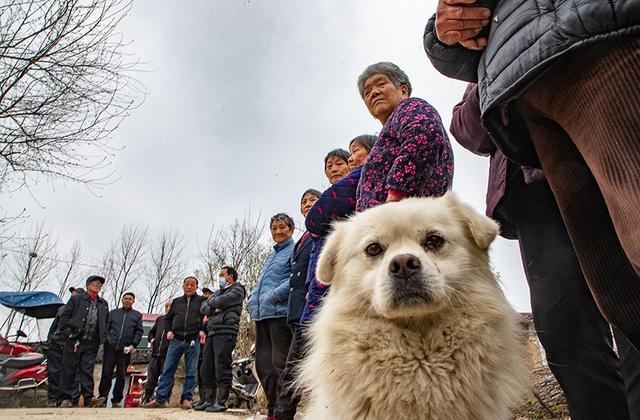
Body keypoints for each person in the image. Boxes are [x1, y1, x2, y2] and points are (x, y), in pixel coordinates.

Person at [423, 0, 640, 351]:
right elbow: (468, 127)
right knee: (617, 291)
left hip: (596, 38)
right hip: (530, 89)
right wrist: (444, 32)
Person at [450, 82, 640, 419]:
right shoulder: (481, 65)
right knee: (562, 328)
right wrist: (494, 71)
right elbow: (470, 132)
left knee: (632, 303)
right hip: (533, 194)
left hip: (602, 163)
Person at [355, 62, 454, 212]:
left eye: (381, 84)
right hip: (387, 225)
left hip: (406, 220)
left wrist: (396, 196)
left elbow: (424, 136)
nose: (374, 92)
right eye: (367, 93)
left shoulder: (410, 107)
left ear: (403, 90)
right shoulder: (387, 134)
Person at [273, 188, 320, 420]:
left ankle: (283, 414)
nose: (308, 204)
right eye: (304, 201)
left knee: (293, 366)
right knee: (293, 364)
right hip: (297, 310)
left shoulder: (323, 231)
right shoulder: (304, 238)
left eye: (313, 200)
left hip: (314, 308)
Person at [248, 213, 296, 420]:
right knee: (263, 365)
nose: (277, 231)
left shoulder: (294, 249)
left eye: (282, 227)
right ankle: (271, 408)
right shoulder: (270, 255)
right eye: (274, 228)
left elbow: (295, 278)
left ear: (291, 230)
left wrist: (275, 296)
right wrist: (252, 299)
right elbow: (262, 284)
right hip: (262, 316)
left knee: (280, 365)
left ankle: (282, 411)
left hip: (280, 315)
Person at [144, 276, 206, 410]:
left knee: (191, 371)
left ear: (196, 287)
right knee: (168, 369)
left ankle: (186, 399)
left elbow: (207, 317)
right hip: (176, 340)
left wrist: (202, 330)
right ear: (183, 286)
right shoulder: (177, 302)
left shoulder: (201, 301)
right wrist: (169, 330)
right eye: (187, 284)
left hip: (192, 340)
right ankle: (160, 398)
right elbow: (168, 319)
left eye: (192, 284)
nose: (189, 287)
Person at [196, 266, 246, 412]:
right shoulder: (218, 293)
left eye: (222, 275)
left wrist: (214, 304)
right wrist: (215, 306)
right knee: (207, 367)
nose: (220, 278)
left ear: (230, 276)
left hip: (226, 330)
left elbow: (223, 301)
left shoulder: (237, 289)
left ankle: (221, 401)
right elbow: (203, 308)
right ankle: (209, 400)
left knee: (221, 365)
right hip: (212, 331)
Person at [58, 275, 109, 408]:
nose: (97, 285)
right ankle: (66, 398)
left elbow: (106, 322)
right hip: (75, 339)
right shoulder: (76, 299)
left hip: (92, 341)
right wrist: (68, 334)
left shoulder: (103, 304)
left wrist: (102, 336)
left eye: (99, 284)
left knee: (87, 370)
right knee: (69, 369)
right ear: (87, 285)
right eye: (95, 283)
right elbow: (64, 318)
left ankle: (88, 397)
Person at [95, 292, 143, 407]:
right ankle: (102, 397)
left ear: (133, 301)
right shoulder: (113, 313)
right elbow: (106, 328)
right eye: (125, 298)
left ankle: (116, 400)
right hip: (110, 347)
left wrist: (133, 345)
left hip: (125, 350)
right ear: (122, 300)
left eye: (130, 299)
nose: (127, 300)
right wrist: (106, 340)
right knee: (106, 373)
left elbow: (139, 331)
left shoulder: (137, 315)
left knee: (121, 375)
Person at [46, 287, 83, 407]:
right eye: (72, 295)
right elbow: (54, 326)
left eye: (75, 295)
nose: (72, 297)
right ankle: (53, 398)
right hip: (57, 345)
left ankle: (71, 399)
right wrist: (50, 339)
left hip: (72, 346)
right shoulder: (62, 309)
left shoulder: (83, 311)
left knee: (71, 373)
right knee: (53, 373)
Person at [143, 300, 173, 404]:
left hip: (167, 354)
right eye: (167, 306)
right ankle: (147, 398)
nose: (168, 308)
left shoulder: (177, 320)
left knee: (167, 378)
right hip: (155, 354)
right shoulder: (160, 319)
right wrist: (152, 340)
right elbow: (151, 332)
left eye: (170, 306)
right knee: (151, 378)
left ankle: (165, 399)